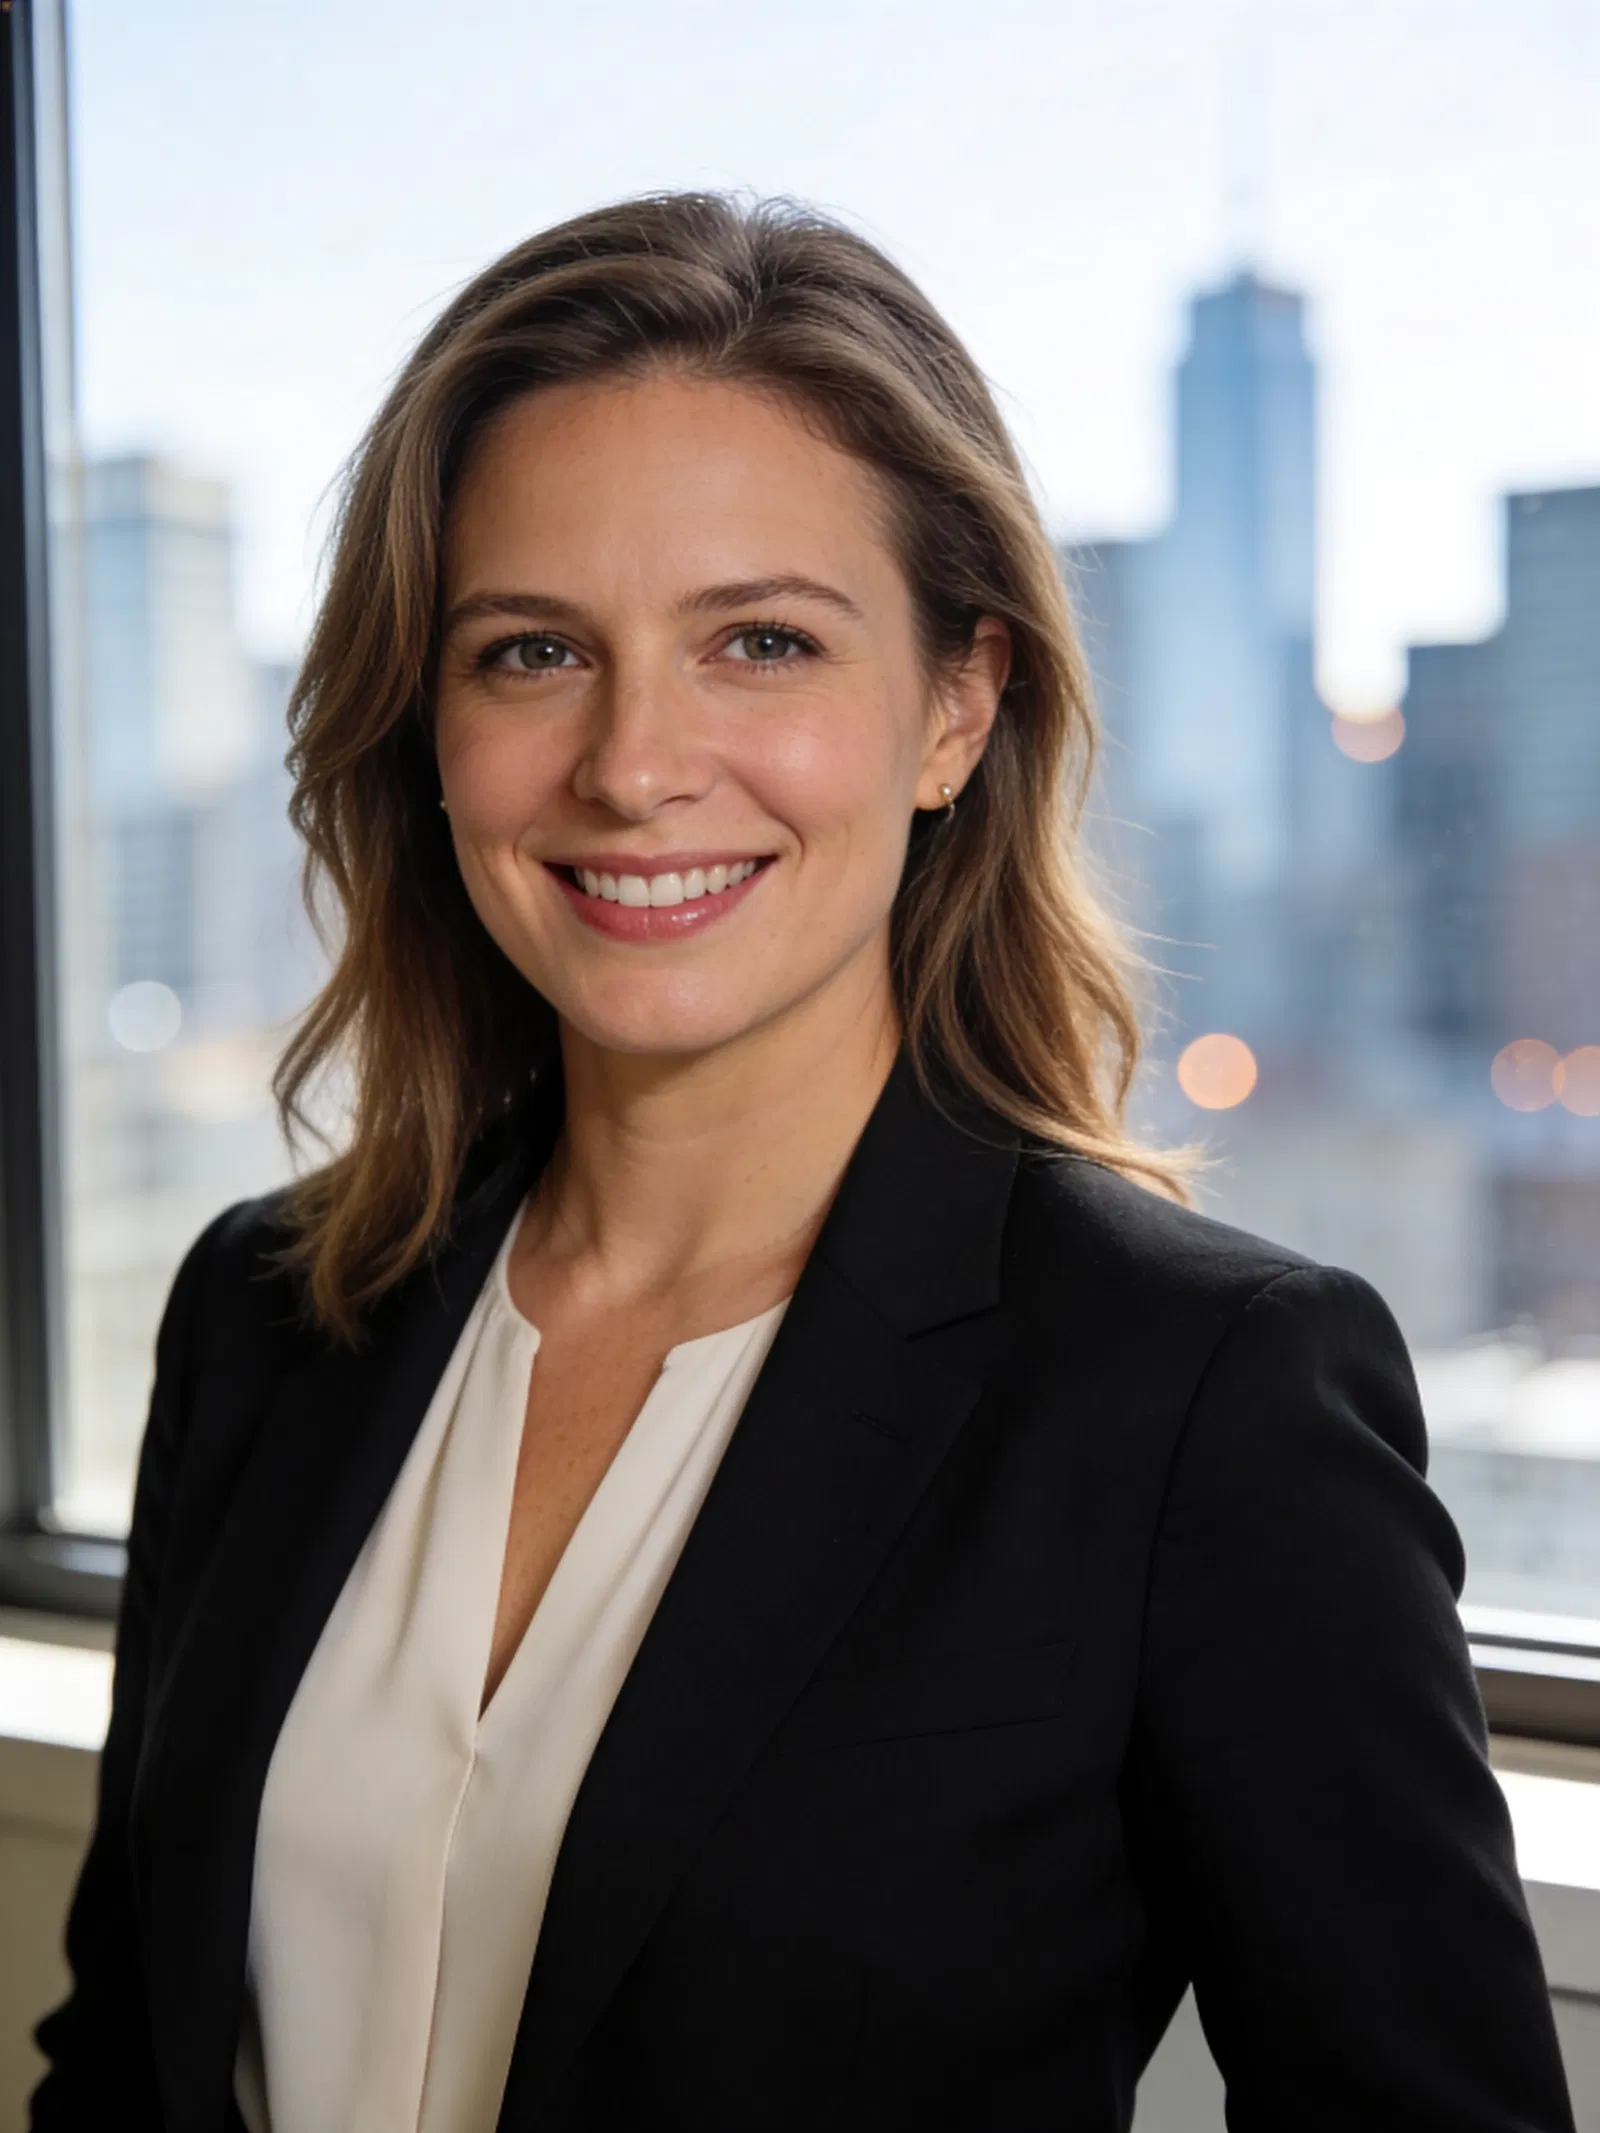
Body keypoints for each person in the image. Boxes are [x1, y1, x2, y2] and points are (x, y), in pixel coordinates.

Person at [33, 193, 1573, 2133]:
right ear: (423, 724)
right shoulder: (265, 1319)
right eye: (529, 652)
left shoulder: (1193, 1403)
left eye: (757, 639)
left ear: (955, 704)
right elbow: (118, 2063)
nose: (631, 762)